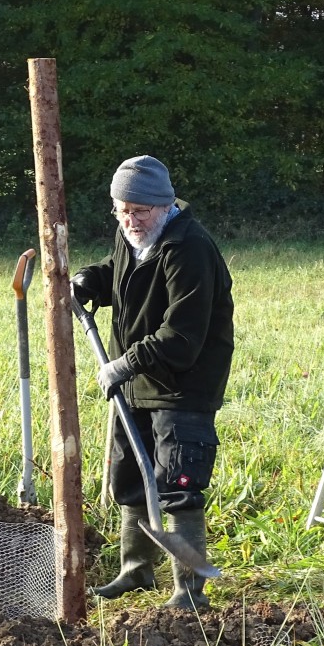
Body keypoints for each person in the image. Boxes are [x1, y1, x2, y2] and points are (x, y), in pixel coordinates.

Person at [70, 155, 234, 610]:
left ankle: (188, 591)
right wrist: (90, 281)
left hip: (183, 383)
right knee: (131, 474)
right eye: (121, 210)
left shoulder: (190, 250)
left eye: (139, 211)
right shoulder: (133, 235)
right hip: (139, 380)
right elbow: (121, 276)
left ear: (164, 206)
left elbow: (182, 337)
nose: (129, 219)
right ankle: (135, 570)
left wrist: (122, 366)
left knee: (178, 480)